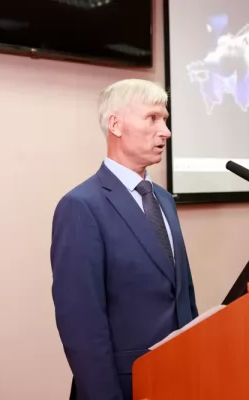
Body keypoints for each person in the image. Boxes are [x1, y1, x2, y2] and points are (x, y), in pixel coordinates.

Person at [51, 79, 199, 400]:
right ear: (115, 125)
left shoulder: (164, 199)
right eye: (152, 118)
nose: (166, 132)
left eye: (165, 120)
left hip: (180, 378)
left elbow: (183, 294)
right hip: (124, 386)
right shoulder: (80, 206)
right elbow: (81, 323)